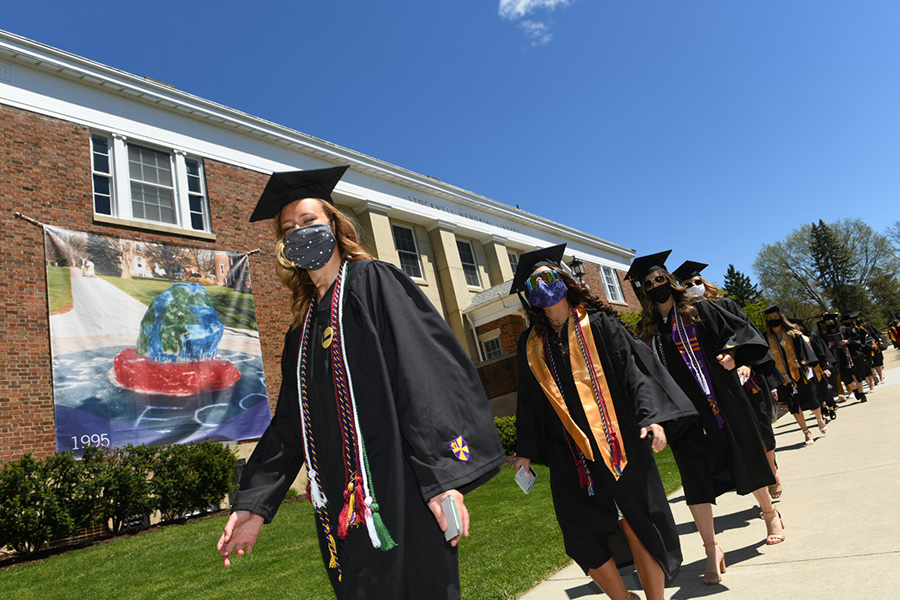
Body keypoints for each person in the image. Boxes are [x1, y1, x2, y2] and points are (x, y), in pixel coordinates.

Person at [217, 165, 506, 599]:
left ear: (334, 225)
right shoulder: (302, 330)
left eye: (309, 221)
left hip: (404, 487)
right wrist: (254, 504)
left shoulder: (374, 282)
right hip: (342, 505)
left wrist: (442, 478)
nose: (300, 232)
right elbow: (292, 425)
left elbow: (424, 375)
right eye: (289, 229)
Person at [513, 245, 697, 600]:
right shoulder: (530, 345)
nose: (543, 286)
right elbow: (528, 400)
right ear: (529, 295)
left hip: (619, 441)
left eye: (549, 277)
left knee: (636, 523)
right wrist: (525, 450)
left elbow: (635, 373)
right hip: (569, 453)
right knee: (579, 534)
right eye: (534, 283)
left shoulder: (599, 325)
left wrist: (651, 416)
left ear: (564, 280)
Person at [628, 251, 784, 587]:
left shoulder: (699, 309)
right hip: (682, 414)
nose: (656, 285)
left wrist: (732, 353)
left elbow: (737, 332)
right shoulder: (647, 330)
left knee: (746, 456)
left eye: (660, 279)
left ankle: (770, 514)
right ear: (643, 291)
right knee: (695, 478)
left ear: (670, 280)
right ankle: (712, 548)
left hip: (722, 399)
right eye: (649, 283)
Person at [672, 261, 785, 499]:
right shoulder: (683, 319)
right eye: (687, 284)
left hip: (746, 378)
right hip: (718, 387)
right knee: (743, 436)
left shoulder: (725, 304)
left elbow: (748, 334)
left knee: (762, 429)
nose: (694, 287)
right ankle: (761, 483)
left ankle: (772, 471)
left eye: (697, 282)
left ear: (705, 283)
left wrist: (746, 363)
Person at [762, 306, 828, 446]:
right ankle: (806, 432)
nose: (773, 320)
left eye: (775, 317)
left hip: (800, 373)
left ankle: (819, 418)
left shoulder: (793, 333)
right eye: (770, 318)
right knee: (793, 405)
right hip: (783, 378)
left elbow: (804, 350)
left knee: (812, 400)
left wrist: (806, 363)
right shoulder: (766, 338)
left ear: (781, 318)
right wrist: (771, 381)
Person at [794, 318, 838, 421]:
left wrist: (825, 367)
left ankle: (831, 408)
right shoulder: (792, 343)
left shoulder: (810, 339)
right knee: (816, 393)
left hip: (818, 368)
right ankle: (823, 413)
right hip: (807, 371)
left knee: (825, 390)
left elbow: (820, 354)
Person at [821, 313, 867, 403]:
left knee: (856, 375)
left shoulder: (844, 329)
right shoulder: (826, 335)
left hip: (851, 355)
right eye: (827, 322)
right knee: (846, 378)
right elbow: (823, 348)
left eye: (831, 321)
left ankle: (862, 394)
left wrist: (847, 341)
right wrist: (829, 346)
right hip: (838, 357)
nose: (829, 322)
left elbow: (857, 339)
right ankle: (855, 389)